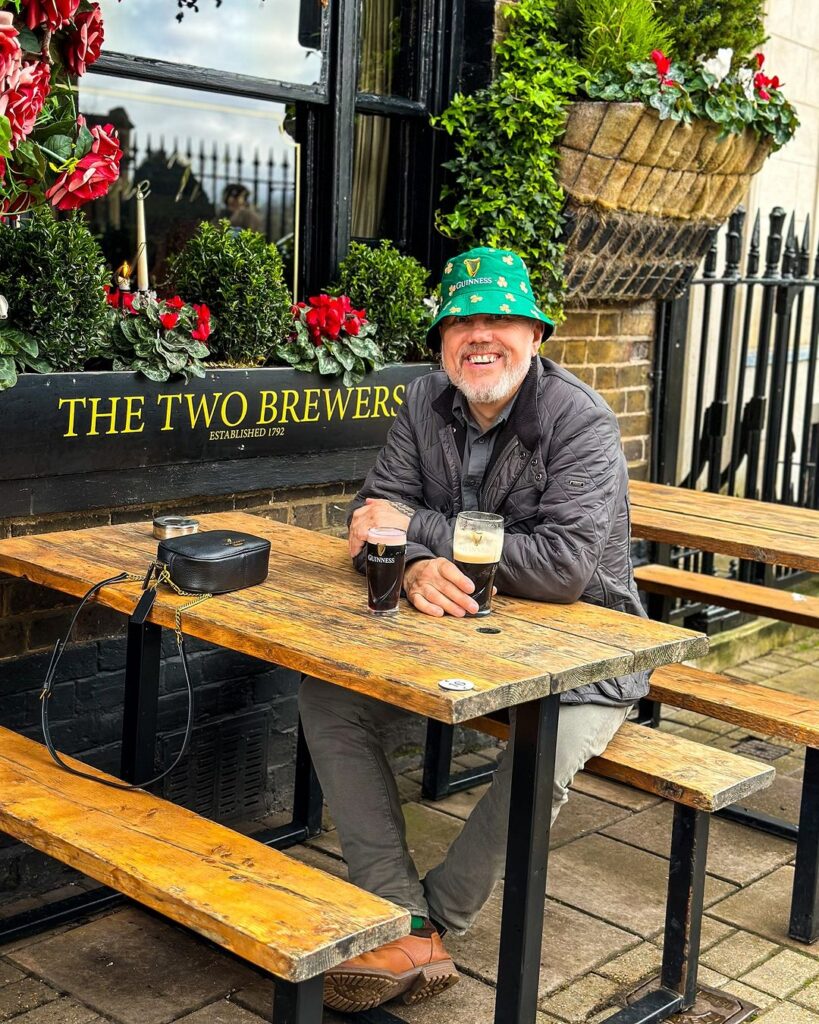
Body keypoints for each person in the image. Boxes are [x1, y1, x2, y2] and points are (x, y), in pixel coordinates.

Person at [299, 246, 649, 1013]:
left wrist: (416, 530)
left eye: (500, 319)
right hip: (444, 640)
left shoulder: (578, 420)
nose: (479, 335)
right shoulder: (424, 401)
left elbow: (561, 569)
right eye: (461, 321)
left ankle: (438, 919)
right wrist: (416, 565)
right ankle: (399, 911)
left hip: (582, 653)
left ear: (534, 336)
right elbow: (370, 522)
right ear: (439, 340)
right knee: (327, 699)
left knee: (540, 748)